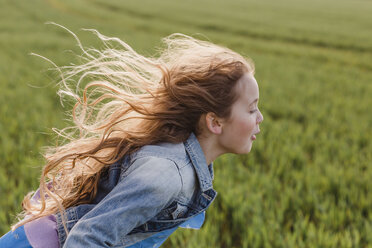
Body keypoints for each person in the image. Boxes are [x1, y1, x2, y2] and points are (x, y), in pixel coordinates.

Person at [0, 27, 263, 247]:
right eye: (251, 108)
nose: (260, 118)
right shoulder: (166, 175)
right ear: (215, 121)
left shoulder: (186, 162)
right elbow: (86, 239)